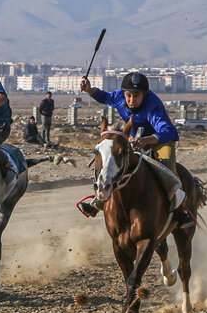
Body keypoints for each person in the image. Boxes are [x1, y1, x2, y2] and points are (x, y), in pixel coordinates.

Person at [77, 71, 196, 229]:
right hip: (135, 138)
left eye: (136, 96)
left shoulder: (153, 106)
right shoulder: (120, 96)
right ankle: (99, 200)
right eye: (128, 95)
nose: (131, 100)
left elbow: (166, 130)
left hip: (160, 139)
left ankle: (180, 210)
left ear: (144, 95)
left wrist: (147, 140)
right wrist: (89, 90)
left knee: (167, 164)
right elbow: (105, 97)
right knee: (112, 160)